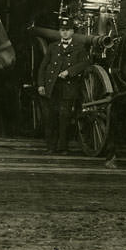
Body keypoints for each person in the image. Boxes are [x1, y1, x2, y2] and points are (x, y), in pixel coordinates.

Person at [37, 17, 90, 154]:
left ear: (72, 32)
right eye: (62, 30)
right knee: (51, 117)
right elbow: (43, 67)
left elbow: (84, 64)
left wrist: (69, 72)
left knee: (64, 117)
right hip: (52, 87)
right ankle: (50, 147)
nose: (65, 33)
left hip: (68, 87)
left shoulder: (79, 47)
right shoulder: (53, 47)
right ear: (60, 32)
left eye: (67, 30)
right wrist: (41, 85)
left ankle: (62, 147)